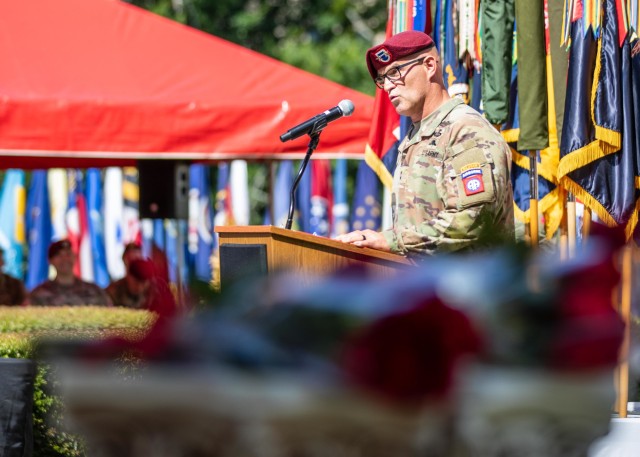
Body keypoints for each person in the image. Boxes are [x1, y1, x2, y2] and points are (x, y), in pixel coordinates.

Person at [336, 31, 514, 258]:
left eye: (394, 72)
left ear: (429, 65)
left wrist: (391, 240)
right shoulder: (413, 137)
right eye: (382, 79)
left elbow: (472, 220)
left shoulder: (466, 129)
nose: (388, 86)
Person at [28, 239, 111, 306]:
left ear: (75, 257)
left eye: (68, 254)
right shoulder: (39, 294)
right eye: (59, 255)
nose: (65, 259)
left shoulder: (94, 291)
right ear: (50, 261)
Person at [105, 243, 151, 309]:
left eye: (138, 259)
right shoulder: (113, 290)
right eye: (131, 260)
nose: (135, 264)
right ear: (124, 262)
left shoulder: (152, 289)